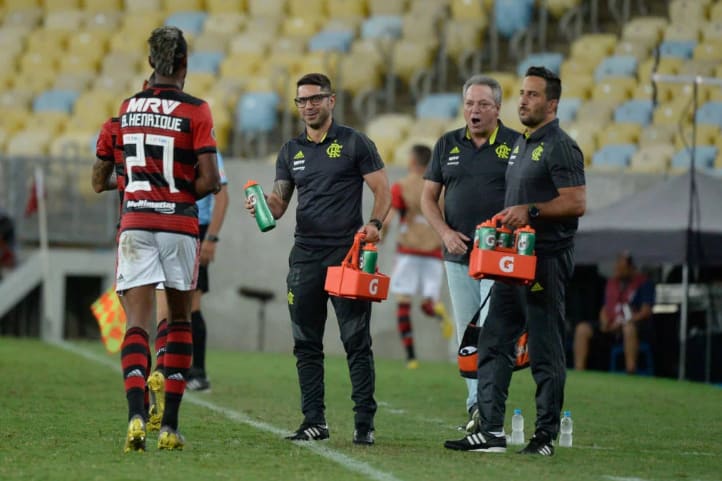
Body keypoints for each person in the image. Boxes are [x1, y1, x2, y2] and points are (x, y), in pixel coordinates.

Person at [444, 66, 586, 456]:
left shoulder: (561, 145)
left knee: (544, 347)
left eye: (534, 95)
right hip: (512, 261)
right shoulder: (524, 144)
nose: (524, 100)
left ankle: (544, 436)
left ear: (553, 103)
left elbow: (576, 202)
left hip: (545, 261)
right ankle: (490, 430)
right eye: (522, 94)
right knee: (493, 340)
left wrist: (531, 212)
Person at [244, 73, 391, 445]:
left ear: (331, 101)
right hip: (305, 257)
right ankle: (314, 421)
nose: (308, 106)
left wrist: (375, 223)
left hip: (347, 257)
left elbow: (383, 190)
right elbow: (279, 203)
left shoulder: (355, 143)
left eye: (315, 99)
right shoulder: (290, 150)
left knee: (356, 341)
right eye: (301, 101)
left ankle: (364, 423)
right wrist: (262, 203)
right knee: (306, 343)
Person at [113, 26, 220, 452]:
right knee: (178, 323)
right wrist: (176, 194)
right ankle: (170, 427)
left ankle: (136, 416)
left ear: (150, 64)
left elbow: (119, 172)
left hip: (135, 222)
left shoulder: (127, 108)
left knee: (136, 323)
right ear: (184, 65)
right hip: (178, 227)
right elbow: (210, 179)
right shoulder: (197, 110)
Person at [421, 74, 520, 429]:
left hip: (498, 256)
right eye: (469, 104)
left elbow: (528, 197)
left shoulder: (517, 145)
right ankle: (477, 406)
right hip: (457, 254)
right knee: (468, 334)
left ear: (498, 108)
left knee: (493, 331)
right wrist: (444, 232)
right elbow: (427, 198)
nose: (474, 111)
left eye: (482, 104)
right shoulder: (447, 144)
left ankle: (490, 407)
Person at [384, 144, 453, 370]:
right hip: (434, 252)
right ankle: (437, 310)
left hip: (408, 251)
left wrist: (381, 234)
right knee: (427, 303)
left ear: (412, 161)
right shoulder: (439, 189)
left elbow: (391, 216)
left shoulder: (402, 186)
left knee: (404, 302)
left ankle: (411, 357)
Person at [574, 251, 655, 374]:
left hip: (633, 327)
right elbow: (605, 308)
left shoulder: (644, 283)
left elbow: (645, 311)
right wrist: (605, 322)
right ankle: (579, 371)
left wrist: (624, 322)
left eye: (620, 267)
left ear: (630, 267)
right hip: (612, 327)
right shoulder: (612, 283)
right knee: (582, 329)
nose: (616, 269)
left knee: (629, 329)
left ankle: (630, 371)